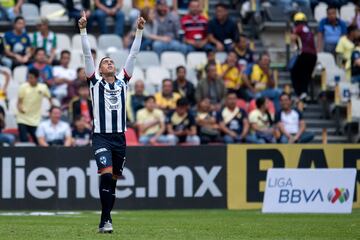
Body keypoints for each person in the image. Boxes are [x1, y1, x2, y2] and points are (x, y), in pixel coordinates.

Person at [79, 11, 145, 233]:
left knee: (113, 180)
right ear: (98, 69)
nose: (109, 63)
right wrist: (83, 29)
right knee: (106, 175)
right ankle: (106, 221)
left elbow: (134, 54)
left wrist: (139, 31)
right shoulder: (95, 83)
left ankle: (104, 220)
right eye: (105, 62)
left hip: (120, 138)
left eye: (111, 62)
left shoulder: (124, 81)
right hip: (101, 137)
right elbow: (87, 55)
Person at [17, 68, 52, 145]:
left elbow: (50, 99)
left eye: (31, 77)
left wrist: (51, 108)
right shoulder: (23, 87)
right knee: (24, 142)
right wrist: (20, 108)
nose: (29, 79)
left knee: (38, 142)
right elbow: (19, 102)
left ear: (37, 78)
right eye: (28, 77)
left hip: (35, 120)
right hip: (22, 119)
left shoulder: (43, 87)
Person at [290, 12, 317, 100]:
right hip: (313, 56)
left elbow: (293, 37)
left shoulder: (298, 28)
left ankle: (299, 93)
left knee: (294, 72)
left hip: (304, 53)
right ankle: (304, 93)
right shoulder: (308, 29)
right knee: (306, 75)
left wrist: (294, 47)